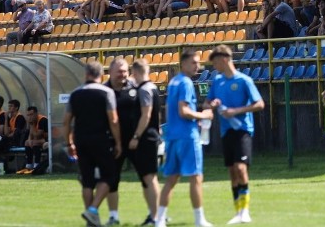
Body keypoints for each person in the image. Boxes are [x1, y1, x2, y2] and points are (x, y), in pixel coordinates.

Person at [206, 45, 265, 225]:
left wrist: (237, 110)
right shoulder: (217, 81)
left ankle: (245, 211)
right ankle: (238, 211)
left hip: (243, 130)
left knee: (241, 168)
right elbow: (206, 104)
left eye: (215, 62)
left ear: (225, 59)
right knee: (232, 172)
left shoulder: (244, 80)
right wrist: (212, 104)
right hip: (226, 131)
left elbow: (260, 104)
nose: (214, 67)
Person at [157, 50, 215, 227]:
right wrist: (202, 115)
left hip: (173, 136)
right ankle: (199, 220)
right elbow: (184, 111)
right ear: (182, 64)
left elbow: (171, 110)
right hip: (187, 137)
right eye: (193, 63)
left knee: (172, 179)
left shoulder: (173, 82)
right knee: (196, 177)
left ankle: (159, 219)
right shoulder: (186, 83)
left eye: (198, 63)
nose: (197, 66)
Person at [63, 61, 122, 227]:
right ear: (101, 75)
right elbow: (114, 120)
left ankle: (91, 220)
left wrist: (69, 143)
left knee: (87, 180)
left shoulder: (75, 93)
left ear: (86, 74)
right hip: (100, 139)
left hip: (81, 139)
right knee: (109, 176)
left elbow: (66, 121)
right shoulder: (107, 92)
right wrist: (118, 142)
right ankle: (93, 210)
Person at [105, 59, 162, 227]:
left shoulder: (135, 87)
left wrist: (153, 129)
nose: (122, 74)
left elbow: (148, 112)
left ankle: (156, 215)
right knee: (112, 179)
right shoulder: (105, 90)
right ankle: (113, 216)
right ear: (110, 72)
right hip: (115, 142)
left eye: (124, 71)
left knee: (147, 178)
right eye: (119, 71)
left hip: (137, 141)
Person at [17, 105, 48, 174]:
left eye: (31, 114)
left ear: (36, 114)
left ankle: (36, 165)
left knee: (34, 143)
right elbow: (31, 135)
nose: (30, 117)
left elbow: (37, 135)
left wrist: (32, 125)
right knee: (27, 142)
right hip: (40, 140)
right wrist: (29, 141)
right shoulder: (32, 122)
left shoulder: (42, 120)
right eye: (28, 115)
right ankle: (28, 166)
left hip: (48, 140)